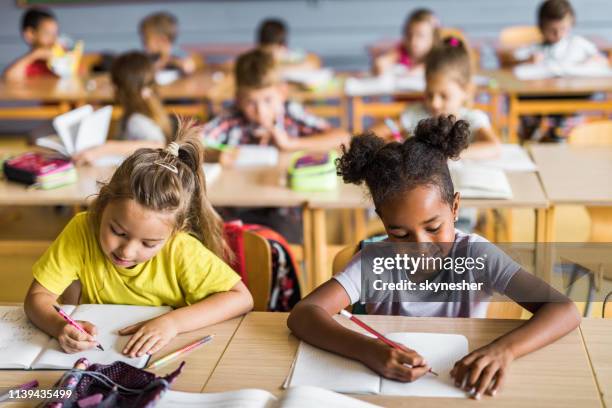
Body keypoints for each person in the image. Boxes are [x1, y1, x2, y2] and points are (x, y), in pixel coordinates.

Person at [288, 116, 581, 399]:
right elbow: (304, 314)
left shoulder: (476, 255)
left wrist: (503, 351)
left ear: (455, 208)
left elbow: (564, 310)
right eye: (400, 234)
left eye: (433, 227)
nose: (420, 245)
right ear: (382, 220)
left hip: (457, 386)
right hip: (392, 391)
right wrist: (369, 349)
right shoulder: (376, 262)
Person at [25, 124, 253, 357]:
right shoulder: (82, 229)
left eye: (149, 244)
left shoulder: (180, 248)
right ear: (102, 205)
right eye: (118, 232)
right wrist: (59, 326)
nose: (127, 251)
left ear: (176, 231)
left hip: (165, 355)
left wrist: (172, 323)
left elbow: (241, 298)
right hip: (95, 356)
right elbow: (38, 298)